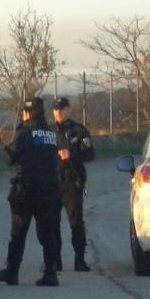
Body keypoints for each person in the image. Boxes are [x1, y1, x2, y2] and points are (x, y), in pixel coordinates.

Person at [0, 96, 61, 287]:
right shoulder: (51, 132)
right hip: (49, 189)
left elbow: (8, 158)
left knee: (18, 233)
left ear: (28, 113)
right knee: (48, 233)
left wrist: (8, 145)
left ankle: (12, 272)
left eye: (24, 111)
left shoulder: (25, 133)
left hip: (27, 189)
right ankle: (50, 273)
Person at [52, 96, 95, 271]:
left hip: (72, 181)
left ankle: (79, 259)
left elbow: (90, 154)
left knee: (76, 222)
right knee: (51, 223)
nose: (59, 112)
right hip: (52, 182)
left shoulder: (79, 131)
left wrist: (71, 155)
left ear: (69, 109)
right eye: (56, 109)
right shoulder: (47, 131)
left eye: (62, 108)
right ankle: (54, 260)